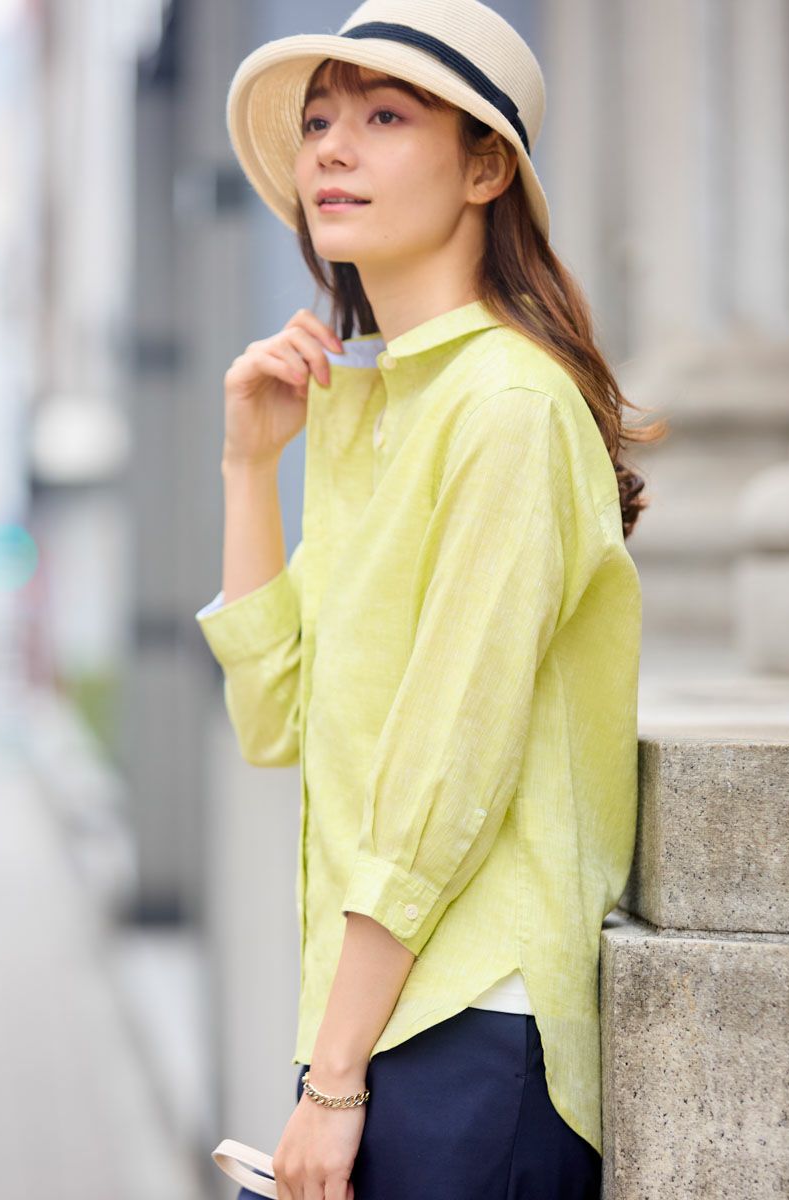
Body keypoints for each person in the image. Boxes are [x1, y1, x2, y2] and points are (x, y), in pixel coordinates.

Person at [195, 2, 667, 1197]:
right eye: (317, 123)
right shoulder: (383, 406)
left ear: (484, 168)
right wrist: (249, 467)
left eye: (385, 117)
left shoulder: (507, 407)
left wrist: (333, 1080)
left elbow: (446, 772)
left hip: (473, 1020)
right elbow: (275, 722)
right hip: (381, 1015)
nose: (332, 151)